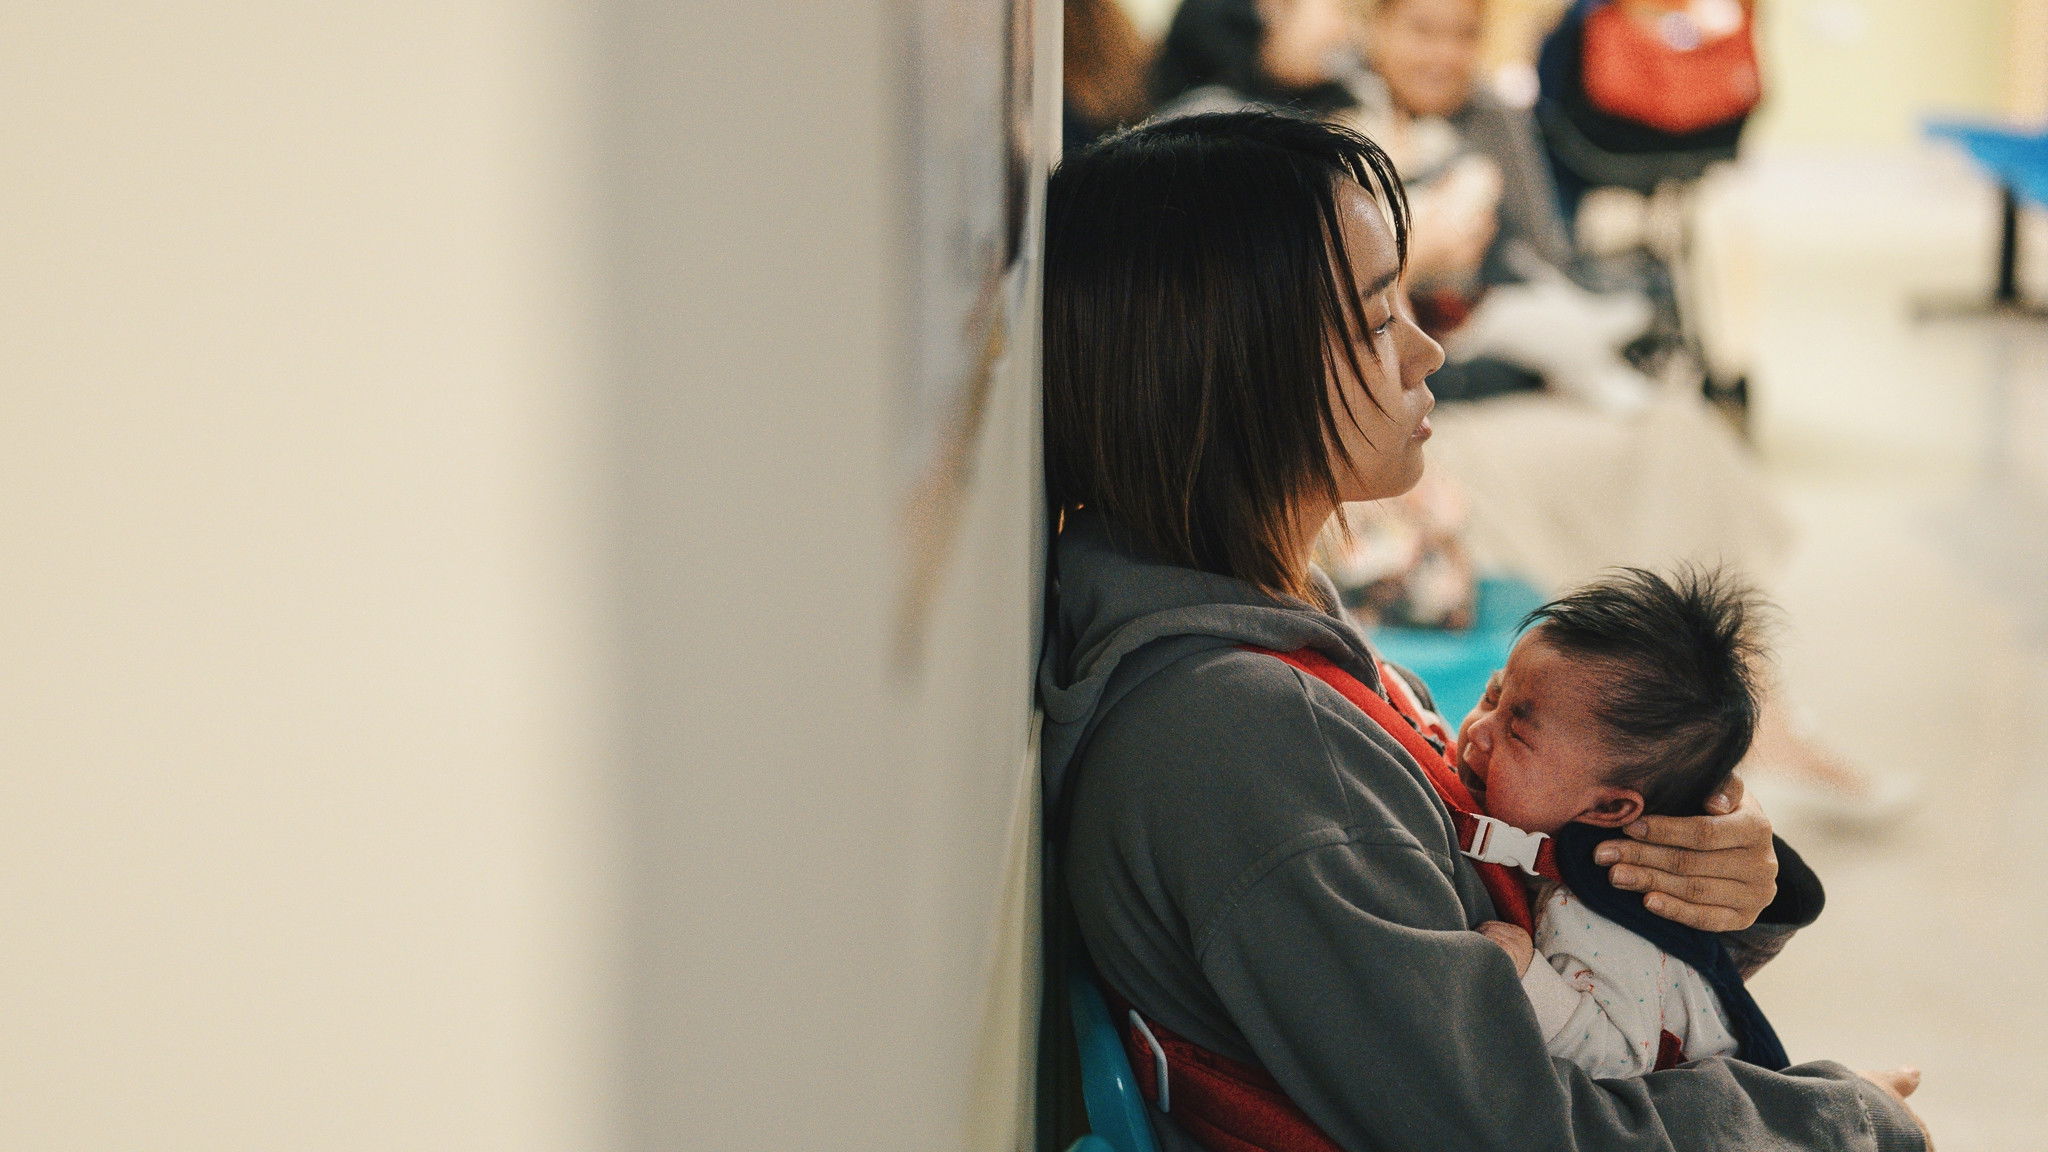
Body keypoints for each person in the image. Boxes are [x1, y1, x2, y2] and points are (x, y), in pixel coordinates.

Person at [1040, 110, 1927, 1150]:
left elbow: (1517, 967)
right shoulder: (1248, 743)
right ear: (1232, 367)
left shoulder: (1263, 638)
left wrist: (1672, 875)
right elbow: (1514, 1129)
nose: (1426, 348)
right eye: (1376, 321)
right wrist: (1836, 1124)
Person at [1445, 566, 1788, 1078]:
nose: (1478, 731)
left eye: (1517, 735)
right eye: (1493, 696)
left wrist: (1523, 977)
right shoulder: (1546, 832)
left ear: (1608, 810)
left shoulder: (1599, 909)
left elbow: (1622, 1058)